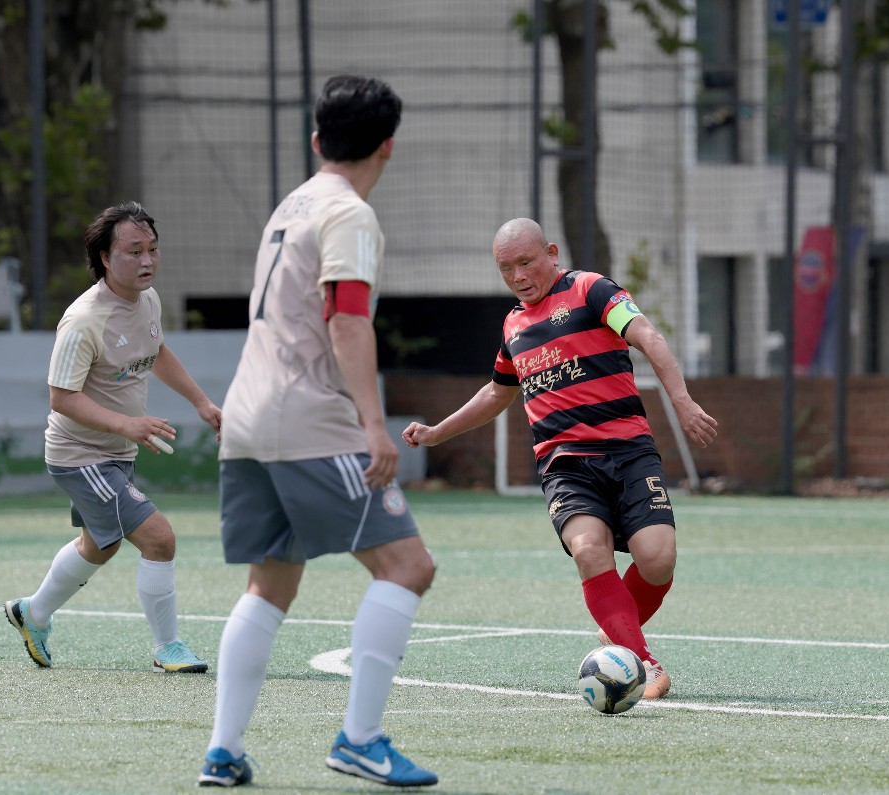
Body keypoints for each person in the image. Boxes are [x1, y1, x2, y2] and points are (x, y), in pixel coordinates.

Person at [198, 75, 437, 789]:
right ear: (388, 145)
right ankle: (360, 739)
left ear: (316, 140)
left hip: (248, 417)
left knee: (269, 582)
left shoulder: (291, 204)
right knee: (407, 566)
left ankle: (222, 752)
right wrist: (373, 423)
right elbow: (346, 318)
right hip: (307, 421)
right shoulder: (349, 213)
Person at [402, 217, 718, 701]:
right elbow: (496, 392)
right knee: (589, 550)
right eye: (505, 268)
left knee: (658, 560)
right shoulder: (513, 325)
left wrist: (682, 401)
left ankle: (616, 626)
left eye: (525, 262)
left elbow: (649, 336)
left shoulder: (593, 290)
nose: (517, 276)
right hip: (565, 463)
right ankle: (642, 663)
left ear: (551, 253)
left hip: (629, 451)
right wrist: (436, 433)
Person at [5, 201, 221, 675]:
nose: (147, 261)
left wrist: (201, 402)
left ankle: (32, 613)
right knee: (159, 538)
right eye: (134, 251)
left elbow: (157, 350)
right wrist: (128, 425)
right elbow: (61, 397)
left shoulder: (148, 300)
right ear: (104, 257)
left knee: (99, 545)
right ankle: (169, 648)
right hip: (80, 455)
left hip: (114, 452)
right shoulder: (85, 320)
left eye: (153, 249)